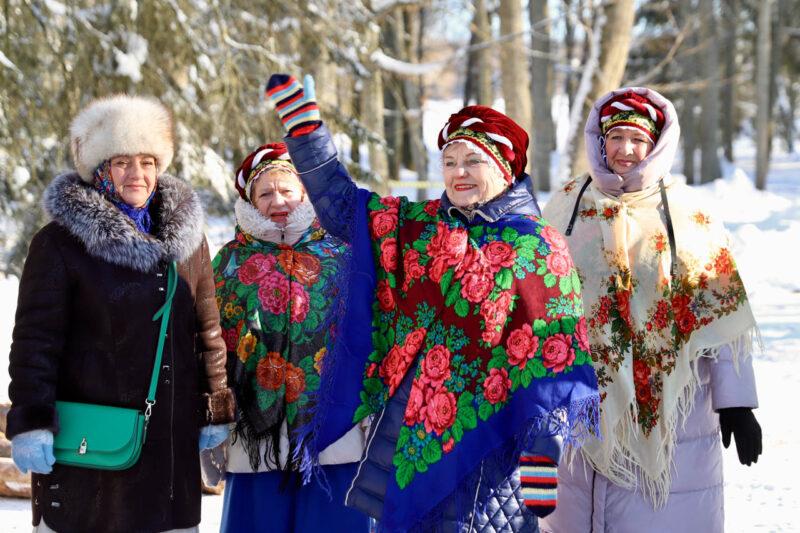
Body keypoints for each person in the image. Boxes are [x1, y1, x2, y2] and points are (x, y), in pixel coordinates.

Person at [264, 74, 600, 532]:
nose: (458, 172)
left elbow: (552, 355)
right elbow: (346, 211)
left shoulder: (538, 248)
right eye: (450, 161)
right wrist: (307, 137)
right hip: (408, 433)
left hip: (488, 446)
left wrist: (543, 452)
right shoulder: (427, 228)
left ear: (505, 167)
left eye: (473, 161)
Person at [6, 95, 236, 533]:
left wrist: (214, 409)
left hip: (170, 447)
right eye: (122, 162)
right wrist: (32, 420)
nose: (138, 174)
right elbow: (36, 341)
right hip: (91, 451)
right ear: (99, 170)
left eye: (148, 161)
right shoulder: (59, 243)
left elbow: (208, 332)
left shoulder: (188, 241)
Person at [540, 88, 762, 533]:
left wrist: (736, 404)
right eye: (616, 136)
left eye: (638, 139)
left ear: (657, 144)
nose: (626, 150)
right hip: (580, 404)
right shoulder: (566, 204)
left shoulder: (685, 214)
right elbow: (536, 297)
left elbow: (719, 313)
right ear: (599, 140)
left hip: (670, 417)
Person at [212, 142, 370, 532]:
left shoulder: (343, 253)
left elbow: (368, 334)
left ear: (305, 193)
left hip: (334, 431)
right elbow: (212, 341)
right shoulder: (229, 261)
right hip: (255, 434)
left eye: (287, 189)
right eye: (265, 192)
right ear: (250, 201)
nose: (277, 200)